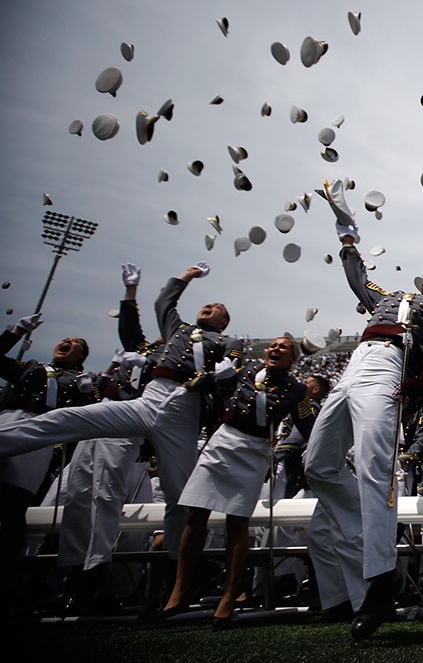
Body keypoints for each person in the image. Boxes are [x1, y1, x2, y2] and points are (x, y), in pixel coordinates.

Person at [303, 213, 423, 641]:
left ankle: (380, 580)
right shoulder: (392, 295)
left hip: (388, 365)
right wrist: (348, 241)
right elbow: (358, 280)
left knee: (374, 467)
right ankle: (369, 536)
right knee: (318, 464)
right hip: (357, 362)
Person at [0, 263, 242, 562]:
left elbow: (233, 374)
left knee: (179, 497)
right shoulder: (177, 329)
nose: (210, 306)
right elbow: (163, 300)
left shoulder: (228, 341)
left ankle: (178, 573)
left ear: (224, 321)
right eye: (208, 303)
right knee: (65, 419)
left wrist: (225, 374)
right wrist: (188, 275)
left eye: (218, 307)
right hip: (152, 397)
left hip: (184, 408)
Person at [162, 336, 314, 628]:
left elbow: (308, 425)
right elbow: (208, 385)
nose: (275, 349)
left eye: (284, 347)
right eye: (274, 345)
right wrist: (196, 382)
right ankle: (180, 589)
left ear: (293, 359)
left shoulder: (297, 390)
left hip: (254, 451)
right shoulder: (244, 372)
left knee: (237, 522)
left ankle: (230, 596)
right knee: (195, 514)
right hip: (223, 440)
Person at [54, 263, 159, 614]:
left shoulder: (169, 361)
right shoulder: (143, 349)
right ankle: (70, 571)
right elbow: (131, 329)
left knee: (104, 498)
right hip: (102, 416)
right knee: (78, 493)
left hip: (126, 423)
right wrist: (130, 293)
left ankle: (93, 577)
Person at [0, 312, 95, 611]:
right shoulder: (30, 367)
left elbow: (90, 418)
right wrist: (15, 332)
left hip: (41, 435)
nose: (66, 342)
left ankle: (10, 582)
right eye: (65, 339)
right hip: (7, 421)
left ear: (82, 356)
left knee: (13, 504)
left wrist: (91, 393)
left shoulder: (81, 381)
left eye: (75, 343)